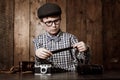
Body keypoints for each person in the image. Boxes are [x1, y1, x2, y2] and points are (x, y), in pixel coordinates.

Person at [33, 3, 90, 72]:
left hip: (70, 75)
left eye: (56, 21)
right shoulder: (38, 40)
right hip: (48, 76)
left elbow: (83, 62)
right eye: (49, 22)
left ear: (60, 19)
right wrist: (38, 56)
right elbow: (38, 66)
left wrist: (85, 50)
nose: (54, 25)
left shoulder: (71, 38)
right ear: (42, 23)